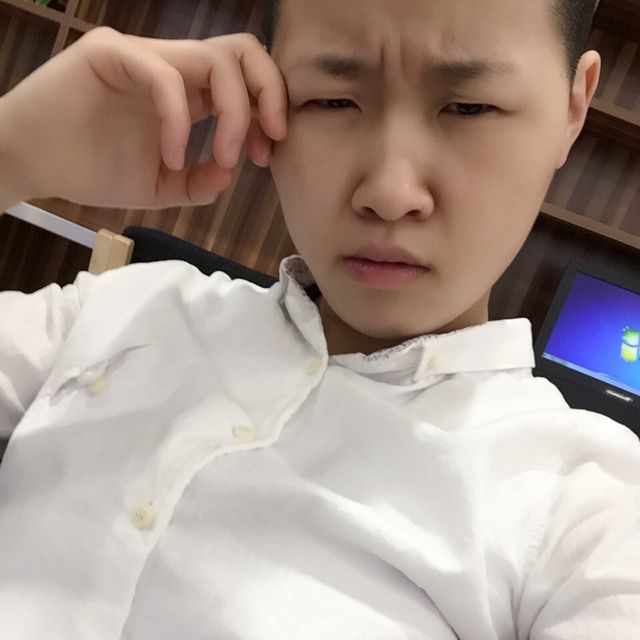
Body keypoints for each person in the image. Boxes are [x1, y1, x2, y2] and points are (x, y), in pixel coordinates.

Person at [0, 0, 638, 637]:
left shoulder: (587, 510)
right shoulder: (121, 311)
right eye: (332, 100)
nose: (389, 193)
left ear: (573, 108)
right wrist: (14, 153)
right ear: (263, 92)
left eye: (469, 108)